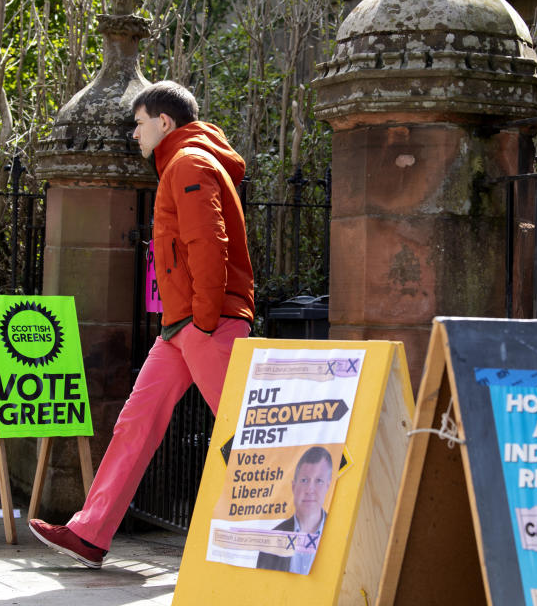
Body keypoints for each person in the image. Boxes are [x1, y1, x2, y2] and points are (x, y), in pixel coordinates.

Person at [29, 80, 254, 569]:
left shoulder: (188, 163)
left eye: (138, 123)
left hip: (203, 323)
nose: (134, 134)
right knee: (135, 424)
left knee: (246, 432)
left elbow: (207, 245)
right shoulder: (184, 162)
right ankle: (90, 532)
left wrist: (206, 320)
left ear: (164, 122)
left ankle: (285, 538)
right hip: (183, 326)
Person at [256, 446, 333, 574]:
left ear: (327, 486)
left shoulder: (340, 534)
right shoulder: (271, 541)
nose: (310, 490)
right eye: (304, 480)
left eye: (318, 481)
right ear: (293, 487)